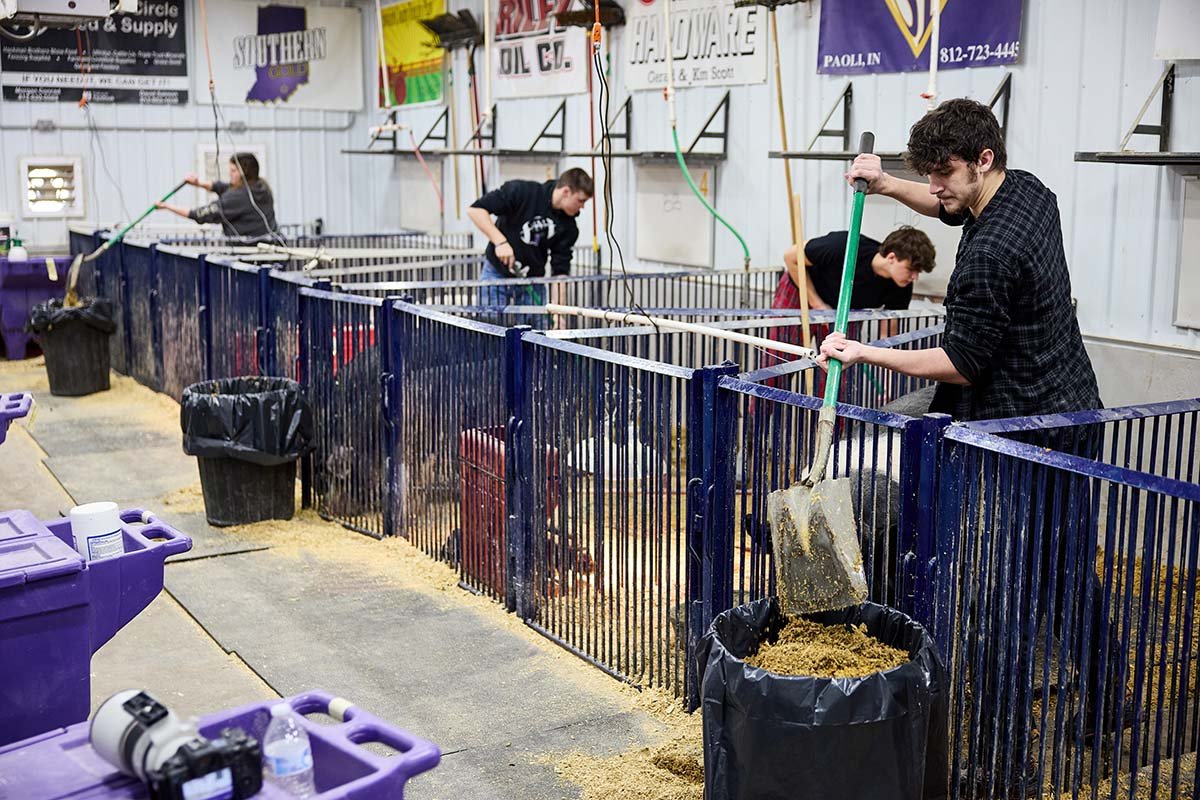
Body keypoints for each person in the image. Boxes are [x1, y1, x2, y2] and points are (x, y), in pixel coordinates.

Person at [819, 98, 1108, 789]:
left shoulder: (992, 256)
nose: (937, 188)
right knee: (1068, 581)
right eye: (927, 174)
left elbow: (961, 360)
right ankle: (1111, 702)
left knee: (996, 604)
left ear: (983, 159)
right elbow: (948, 207)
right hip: (1074, 414)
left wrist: (862, 352)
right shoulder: (1028, 191)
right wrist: (888, 183)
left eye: (942, 173)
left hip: (1017, 434)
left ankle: (1004, 764)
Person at [466, 168, 592, 312]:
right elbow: (475, 210)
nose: (582, 207)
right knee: (488, 325)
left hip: (533, 282)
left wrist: (559, 312)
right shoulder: (522, 192)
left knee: (535, 331)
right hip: (497, 272)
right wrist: (500, 242)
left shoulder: (568, 226)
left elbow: (560, 272)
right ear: (566, 192)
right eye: (580, 200)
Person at [775, 226, 936, 313]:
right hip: (802, 287)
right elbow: (790, 256)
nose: (914, 277)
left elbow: (888, 332)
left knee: (843, 358)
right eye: (911, 269)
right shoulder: (844, 246)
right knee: (782, 350)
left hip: (844, 307)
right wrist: (817, 304)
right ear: (892, 258)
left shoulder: (901, 284)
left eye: (918, 272)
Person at [157, 153, 278, 239]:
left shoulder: (238, 198)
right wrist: (198, 183)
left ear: (243, 172)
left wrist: (167, 207)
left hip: (251, 255)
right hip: (269, 247)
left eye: (233, 170)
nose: (229, 174)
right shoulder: (261, 186)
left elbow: (198, 214)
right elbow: (222, 187)